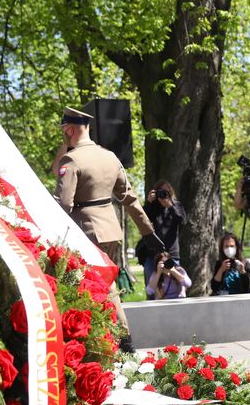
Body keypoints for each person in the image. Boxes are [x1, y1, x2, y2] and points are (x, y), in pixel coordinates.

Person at [52, 107, 157, 352]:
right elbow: (129, 198)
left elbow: (64, 203)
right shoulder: (110, 157)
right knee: (106, 287)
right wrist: (147, 231)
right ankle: (122, 342)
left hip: (85, 233)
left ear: (68, 129)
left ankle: (105, 345)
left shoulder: (72, 159)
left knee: (85, 289)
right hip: (110, 230)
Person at [138, 180, 186, 298]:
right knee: (152, 285)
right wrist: (149, 202)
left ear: (170, 193)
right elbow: (142, 220)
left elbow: (183, 221)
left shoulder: (176, 206)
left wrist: (170, 206)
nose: (162, 195)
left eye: (165, 192)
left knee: (176, 283)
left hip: (172, 254)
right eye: (160, 192)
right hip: (152, 254)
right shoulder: (152, 208)